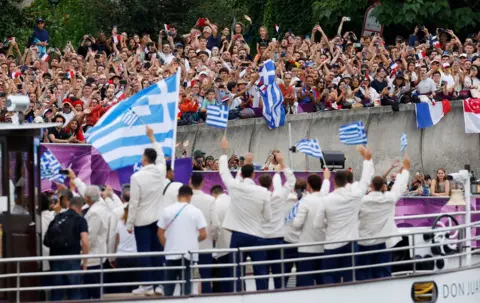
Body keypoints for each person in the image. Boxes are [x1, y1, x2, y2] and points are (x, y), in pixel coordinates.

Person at [313, 146, 374, 284]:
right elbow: (365, 180)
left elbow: (317, 224)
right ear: (347, 182)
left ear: (334, 182)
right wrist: (367, 160)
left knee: (329, 278)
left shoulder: (327, 200)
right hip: (351, 242)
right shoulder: (354, 196)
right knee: (349, 278)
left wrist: (328, 227)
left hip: (332, 243)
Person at [218, 135, 271, 292]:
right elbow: (268, 217)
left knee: (236, 270)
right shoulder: (263, 192)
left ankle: (238, 294)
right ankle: (263, 296)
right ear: (254, 175)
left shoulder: (235, 187)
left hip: (238, 235)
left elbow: (223, 171)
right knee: (261, 271)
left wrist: (223, 150)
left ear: (241, 175)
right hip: (256, 234)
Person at [127, 125, 166, 296]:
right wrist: (152, 138)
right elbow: (162, 157)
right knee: (158, 252)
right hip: (158, 218)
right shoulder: (160, 172)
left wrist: (129, 223)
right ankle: (159, 285)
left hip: (142, 220)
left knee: (144, 252)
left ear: (144, 160)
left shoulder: (136, 177)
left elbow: (134, 202)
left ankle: (148, 285)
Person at [357, 156, 410, 280]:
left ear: (371, 185)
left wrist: (368, 161)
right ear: (383, 186)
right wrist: (405, 170)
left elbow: (362, 186)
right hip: (382, 242)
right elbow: (399, 187)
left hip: (364, 241)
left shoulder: (362, 201)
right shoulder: (389, 199)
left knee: (363, 273)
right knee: (383, 273)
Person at [157, 185, 207, 296]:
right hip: (188, 255)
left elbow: (160, 233)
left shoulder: (167, 210)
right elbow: (203, 234)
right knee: (186, 289)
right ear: (190, 196)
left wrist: (167, 245)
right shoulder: (196, 211)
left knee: (168, 289)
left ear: (177, 196)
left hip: (171, 254)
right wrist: (194, 240)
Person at [260, 151, 295, 289]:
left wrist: (276, 172)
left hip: (261, 238)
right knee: (279, 274)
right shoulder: (279, 196)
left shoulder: (256, 197)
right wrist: (282, 165)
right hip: (278, 238)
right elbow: (291, 181)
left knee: (261, 274)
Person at [44, 196, 89, 301]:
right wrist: (85, 263)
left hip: (55, 259)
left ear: (69, 205)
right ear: (81, 207)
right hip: (72, 259)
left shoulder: (57, 217)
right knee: (74, 293)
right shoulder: (80, 220)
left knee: (57, 293)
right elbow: (85, 241)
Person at [292, 170, 331, 287]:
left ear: (308, 186)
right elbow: (324, 190)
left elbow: (297, 224)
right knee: (322, 282)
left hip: (306, 248)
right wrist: (327, 178)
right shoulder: (326, 199)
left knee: (305, 285)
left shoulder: (305, 201)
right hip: (323, 247)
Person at [189, 172, 219, 294]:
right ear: (203, 183)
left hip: (187, 244)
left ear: (190, 182)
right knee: (206, 277)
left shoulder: (185, 200)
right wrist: (214, 239)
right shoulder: (211, 200)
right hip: (205, 244)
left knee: (185, 277)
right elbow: (216, 224)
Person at [209, 185, 231, 293]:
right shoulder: (232, 200)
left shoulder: (215, 204)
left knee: (224, 273)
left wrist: (214, 238)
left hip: (222, 243)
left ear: (213, 194)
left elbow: (215, 225)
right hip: (236, 242)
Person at [113, 205, 138, 293]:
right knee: (135, 285)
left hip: (121, 255)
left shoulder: (120, 222)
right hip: (134, 255)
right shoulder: (137, 222)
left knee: (123, 283)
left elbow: (118, 239)